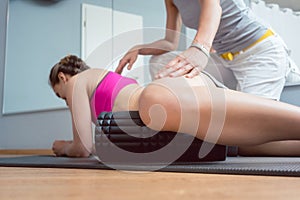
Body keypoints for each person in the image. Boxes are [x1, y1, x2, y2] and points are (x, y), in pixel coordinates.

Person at [49, 55, 300, 158]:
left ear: (63, 78)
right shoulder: (101, 80)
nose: (66, 101)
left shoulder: (77, 82)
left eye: (61, 96)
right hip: (175, 114)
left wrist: (63, 147)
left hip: (163, 100)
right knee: (248, 146)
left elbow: (83, 148)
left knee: (152, 101)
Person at [116, 0, 295, 101]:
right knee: (161, 63)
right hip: (226, 61)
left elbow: (213, 7)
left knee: (254, 137)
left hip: (259, 52)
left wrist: (200, 48)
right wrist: (138, 48)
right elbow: (170, 42)